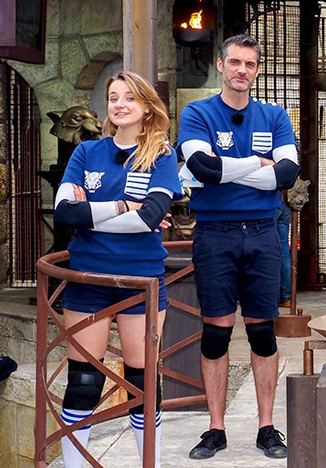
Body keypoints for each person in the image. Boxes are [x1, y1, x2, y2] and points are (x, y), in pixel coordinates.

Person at [178, 33, 299, 460]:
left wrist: (230, 171)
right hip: (216, 234)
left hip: (265, 232)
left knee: (263, 332)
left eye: (249, 64)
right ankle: (216, 428)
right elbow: (201, 167)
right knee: (216, 333)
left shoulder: (275, 116)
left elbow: (286, 175)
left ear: (257, 69)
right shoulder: (197, 113)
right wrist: (255, 166)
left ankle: (267, 428)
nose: (241, 70)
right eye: (234, 62)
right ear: (220, 64)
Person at [53, 71, 181, 468]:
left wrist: (90, 214)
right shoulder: (86, 153)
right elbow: (63, 216)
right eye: (113, 97)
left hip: (140, 280)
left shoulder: (162, 154)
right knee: (83, 382)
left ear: (146, 107)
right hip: (88, 278)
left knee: (141, 384)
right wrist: (124, 206)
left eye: (129, 97)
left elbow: (152, 218)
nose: (120, 104)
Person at [275, 198, 292, 307]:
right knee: (284, 251)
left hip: (268, 204)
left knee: (265, 249)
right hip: (282, 204)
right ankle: (286, 297)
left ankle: (271, 296)